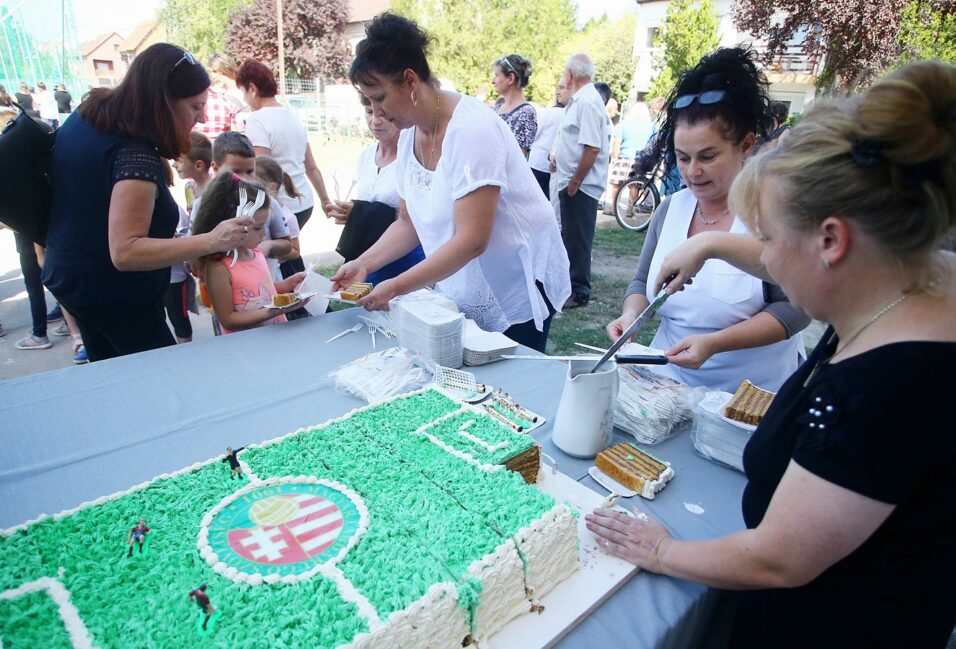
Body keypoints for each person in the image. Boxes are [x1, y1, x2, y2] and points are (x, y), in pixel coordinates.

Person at [588, 59, 956, 649]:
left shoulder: (886, 389)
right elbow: (783, 254)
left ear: (832, 241)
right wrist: (708, 243)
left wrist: (662, 549)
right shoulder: (915, 270)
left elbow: (780, 560)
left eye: (769, 238)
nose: (765, 258)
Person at [331, 13, 570, 352]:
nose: (376, 112)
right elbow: (407, 221)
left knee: (506, 388)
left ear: (410, 81)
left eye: (380, 98)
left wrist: (396, 287)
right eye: (369, 102)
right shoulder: (407, 137)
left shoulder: (471, 130)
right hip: (464, 280)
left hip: (514, 280)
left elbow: (473, 240)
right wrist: (364, 264)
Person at [605, 47, 807, 393]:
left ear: (746, 145)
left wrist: (715, 343)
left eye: (708, 157)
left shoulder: (773, 211)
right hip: (667, 385)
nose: (693, 171)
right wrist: (632, 316)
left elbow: (796, 309)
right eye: (683, 158)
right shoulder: (671, 208)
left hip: (749, 395)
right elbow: (642, 284)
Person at [41, 44, 252, 362]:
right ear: (162, 101)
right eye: (195, 107)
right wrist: (210, 240)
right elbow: (126, 251)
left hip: (76, 280)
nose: (202, 117)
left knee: (115, 379)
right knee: (161, 385)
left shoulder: (90, 116)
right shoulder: (134, 156)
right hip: (115, 297)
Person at [326, 93, 425, 284]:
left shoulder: (414, 157)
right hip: (370, 250)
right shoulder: (365, 156)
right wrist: (350, 214)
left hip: (406, 256)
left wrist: (360, 215)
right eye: (369, 112)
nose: (375, 121)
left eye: (383, 114)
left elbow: (417, 217)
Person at [191, 172, 306, 334]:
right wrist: (273, 311)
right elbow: (228, 319)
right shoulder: (218, 267)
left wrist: (288, 285)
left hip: (274, 337)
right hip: (246, 347)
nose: (263, 234)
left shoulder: (256, 252)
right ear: (230, 224)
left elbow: (262, 292)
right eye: (258, 228)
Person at [236, 58, 331, 229]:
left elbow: (260, 169)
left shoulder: (257, 119)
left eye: (243, 93)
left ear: (252, 88)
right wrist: (325, 200)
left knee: (276, 253)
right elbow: (311, 167)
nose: (244, 99)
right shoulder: (292, 116)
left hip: (279, 205)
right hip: (304, 203)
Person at [552, 53, 612, 309]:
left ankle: (578, 291)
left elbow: (591, 147)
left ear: (570, 74)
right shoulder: (581, 101)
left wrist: (575, 182)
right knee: (571, 237)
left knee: (577, 240)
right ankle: (571, 287)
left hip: (580, 185)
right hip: (572, 181)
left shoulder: (587, 101)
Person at [167, 131, 214, 343]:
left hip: (211, 258)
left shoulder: (215, 191)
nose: (174, 165)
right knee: (209, 300)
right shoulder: (189, 188)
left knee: (218, 303)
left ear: (198, 165)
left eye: (178, 160)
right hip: (196, 258)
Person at [255, 155, 309, 320]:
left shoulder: (287, 216)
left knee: (293, 313)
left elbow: (295, 251)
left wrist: (272, 248)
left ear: (270, 187)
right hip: (268, 270)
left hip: (285, 270)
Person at [606, 102, 655, 215]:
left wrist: (615, 157)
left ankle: (613, 208)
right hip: (641, 158)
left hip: (624, 157)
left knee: (616, 184)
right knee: (635, 185)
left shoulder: (624, 124)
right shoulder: (651, 126)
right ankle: (630, 208)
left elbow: (617, 142)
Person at [491, 54, 537, 158]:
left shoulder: (525, 113)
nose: (493, 81)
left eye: (497, 75)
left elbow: (517, 159)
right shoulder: (497, 109)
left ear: (510, 78)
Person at [528, 81, 566, 200]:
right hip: (554, 166)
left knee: (533, 199)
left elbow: (534, 134)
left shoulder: (546, 112)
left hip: (537, 162)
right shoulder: (567, 114)